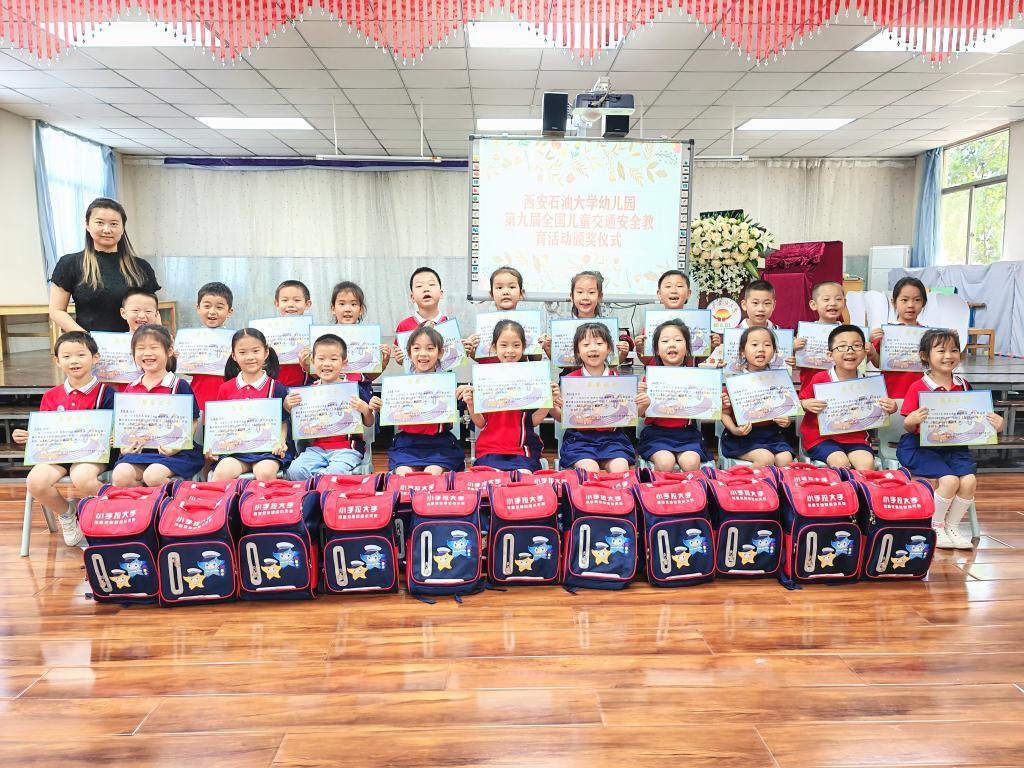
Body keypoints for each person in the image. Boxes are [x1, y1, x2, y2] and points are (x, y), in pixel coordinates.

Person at [899, 328, 1004, 550]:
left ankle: (952, 526)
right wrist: (912, 420)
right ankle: (935, 526)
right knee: (949, 481)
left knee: (969, 481)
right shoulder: (918, 386)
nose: (948, 356)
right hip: (921, 447)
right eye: (941, 351)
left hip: (955, 447)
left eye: (954, 350)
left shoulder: (964, 385)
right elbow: (908, 426)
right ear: (925, 356)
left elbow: (977, 419)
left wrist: (997, 425)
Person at [12, 332, 114, 546]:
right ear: (57, 361)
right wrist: (30, 437)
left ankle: (111, 515)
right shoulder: (51, 396)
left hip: (91, 454)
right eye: (66, 356)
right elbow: (46, 433)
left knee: (82, 477)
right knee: (35, 481)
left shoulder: (107, 393)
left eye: (81, 355)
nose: (74, 361)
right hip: (58, 454)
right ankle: (68, 512)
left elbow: (112, 432)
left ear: (95, 357)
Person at [110, 325, 203, 487]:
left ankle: (170, 500)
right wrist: (123, 447)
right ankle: (145, 502)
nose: (147, 353)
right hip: (140, 451)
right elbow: (124, 426)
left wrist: (176, 447)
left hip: (173, 453)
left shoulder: (178, 385)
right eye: (140, 348)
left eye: (154, 347)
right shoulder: (131, 387)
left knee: (153, 476)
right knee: (120, 476)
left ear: (169, 351)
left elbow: (193, 421)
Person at [49, 197, 160, 333]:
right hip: (88, 343)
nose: (107, 230)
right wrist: (86, 339)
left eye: (114, 224)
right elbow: (56, 310)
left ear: (123, 228)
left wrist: (159, 338)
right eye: (100, 223)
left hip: (134, 343)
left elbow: (153, 312)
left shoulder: (141, 267)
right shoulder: (69, 263)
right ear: (88, 225)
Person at [461, 320, 555, 473]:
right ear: (494, 347)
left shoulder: (531, 379)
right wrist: (471, 404)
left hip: (522, 449)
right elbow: (481, 423)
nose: (510, 350)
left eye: (516, 345)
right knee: (491, 479)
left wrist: (548, 402)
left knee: (523, 477)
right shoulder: (485, 378)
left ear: (524, 347)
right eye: (503, 345)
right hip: (490, 449)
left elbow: (532, 421)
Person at [799, 324, 896, 470]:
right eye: (842, 347)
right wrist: (806, 404)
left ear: (864, 352)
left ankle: (858, 485)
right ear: (830, 354)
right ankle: (844, 485)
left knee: (866, 464)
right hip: (821, 438)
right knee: (840, 462)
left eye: (856, 346)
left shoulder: (869, 383)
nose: (850, 351)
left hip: (856, 438)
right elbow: (799, 403)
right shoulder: (820, 379)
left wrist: (892, 407)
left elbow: (879, 410)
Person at [285, 334, 380, 480]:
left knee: (335, 471)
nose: (327, 364)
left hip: (347, 449)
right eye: (321, 359)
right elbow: (297, 421)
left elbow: (369, 423)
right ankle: (320, 485)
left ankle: (322, 486)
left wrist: (365, 410)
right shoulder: (307, 392)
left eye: (333, 359)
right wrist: (288, 406)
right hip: (315, 449)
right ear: (312, 362)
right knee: (294, 471)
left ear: (344, 363)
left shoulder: (354, 389)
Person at [551, 322, 640, 473]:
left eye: (599, 343)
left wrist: (640, 403)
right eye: (586, 344)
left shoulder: (619, 381)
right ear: (578, 351)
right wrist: (552, 404)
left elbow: (630, 414)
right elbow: (562, 417)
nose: (593, 348)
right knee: (589, 470)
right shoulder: (569, 380)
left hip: (613, 439)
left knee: (620, 468)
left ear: (609, 348)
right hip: (580, 440)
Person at [208, 328, 293, 482]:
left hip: (268, 451)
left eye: (255, 351)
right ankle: (231, 499)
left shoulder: (276, 387)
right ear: (234, 356)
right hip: (235, 451)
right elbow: (219, 425)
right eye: (242, 352)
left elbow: (283, 422)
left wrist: (281, 442)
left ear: (266, 353)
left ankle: (263, 499)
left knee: (265, 472)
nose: (250, 357)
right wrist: (214, 447)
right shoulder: (225, 389)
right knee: (221, 473)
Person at [387, 325, 468, 475]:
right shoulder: (399, 386)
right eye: (417, 348)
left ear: (440, 352)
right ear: (409, 353)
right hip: (407, 445)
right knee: (404, 473)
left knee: (432, 472)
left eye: (430, 348)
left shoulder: (447, 384)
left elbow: (461, 404)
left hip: (440, 445)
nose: (423, 354)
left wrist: (466, 394)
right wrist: (381, 405)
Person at [636, 319, 712, 471]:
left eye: (678, 340)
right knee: (665, 462)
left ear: (687, 347)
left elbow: (707, 407)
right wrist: (643, 402)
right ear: (657, 350)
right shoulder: (649, 380)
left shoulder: (698, 378)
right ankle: (662, 487)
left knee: (691, 462)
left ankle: (689, 487)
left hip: (687, 434)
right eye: (665, 341)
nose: (672, 344)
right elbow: (638, 414)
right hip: (656, 435)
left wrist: (716, 400)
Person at [720, 327, 794, 468]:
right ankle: (745, 480)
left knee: (785, 459)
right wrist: (735, 430)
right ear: (743, 351)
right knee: (766, 458)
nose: (761, 349)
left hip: (772, 435)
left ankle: (773, 483)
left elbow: (787, 411)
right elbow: (724, 413)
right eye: (754, 344)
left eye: (767, 345)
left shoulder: (780, 380)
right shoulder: (735, 382)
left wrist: (786, 421)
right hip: (742, 437)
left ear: (774, 351)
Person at [793, 281, 880, 391]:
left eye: (838, 299)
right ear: (813, 305)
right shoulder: (805, 333)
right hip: (811, 389)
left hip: (844, 390)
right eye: (826, 299)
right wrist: (793, 349)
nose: (833, 303)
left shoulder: (851, 334)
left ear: (845, 303)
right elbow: (798, 363)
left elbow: (858, 363)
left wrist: (867, 346)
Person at [463, 266, 550, 363]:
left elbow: (535, 359)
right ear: (492, 294)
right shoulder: (484, 324)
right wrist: (470, 350)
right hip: (491, 372)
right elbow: (481, 358)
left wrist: (539, 346)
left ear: (521, 293)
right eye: (499, 288)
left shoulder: (528, 324)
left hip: (519, 372)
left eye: (512, 287)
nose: (505, 292)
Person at [328, 280, 390, 397]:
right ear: (333, 308)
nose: (348, 309)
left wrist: (383, 364)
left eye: (353, 304)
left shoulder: (368, 338)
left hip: (361, 392)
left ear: (360, 310)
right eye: (342, 304)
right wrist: (306, 365)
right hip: (331, 391)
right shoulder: (324, 339)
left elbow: (369, 377)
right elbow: (318, 372)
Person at [871, 276, 928, 399]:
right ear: (894, 302)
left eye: (917, 300)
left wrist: (948, 339)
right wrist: (871, 348)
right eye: (904, 300)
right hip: (891, 391)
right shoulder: (885, 332)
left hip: (920, 393)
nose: (911, 305)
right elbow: (878, 363)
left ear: (923, 303)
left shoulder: (928, 334)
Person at [189, 282, 235, 413]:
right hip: (198, 397)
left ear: (229, 312)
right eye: (207, 306)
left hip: (227, 399)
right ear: (198, 308)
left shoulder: (235, 339)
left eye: (219, 307)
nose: (212, 312)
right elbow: (187, 369)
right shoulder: (190, 339)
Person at [393, 267, 452, 367]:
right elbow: (401, 356)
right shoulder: (403, 326)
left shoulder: (449, 324)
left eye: (431, 284)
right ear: (412, 297)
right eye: (419, 286)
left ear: (441, 293)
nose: (426, 289)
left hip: (445, 376)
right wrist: (399, 359)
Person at [274, 279, 313, 388]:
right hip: (275, 388)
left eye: (297, 300)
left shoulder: (313, 332)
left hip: (304, 386)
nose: (290, 305)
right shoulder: (268, 331)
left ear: (307, 304)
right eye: (285, 300)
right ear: (276, 304)